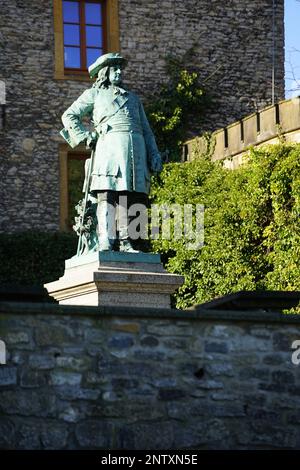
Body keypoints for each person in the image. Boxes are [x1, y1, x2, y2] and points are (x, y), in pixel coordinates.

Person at [60, 52, 162, 252]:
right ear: (105, 72)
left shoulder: (133, 99)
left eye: (120, 69)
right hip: (110, 149)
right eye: (114, 69)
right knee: (108, 194)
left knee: (133, 196)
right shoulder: (94, 94)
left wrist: (154, 154)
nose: (118, 72)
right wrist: (85, 136)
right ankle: (107, 239)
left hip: (136, 151)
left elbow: (147, 131)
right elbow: (69, 115)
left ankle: (130, 241)